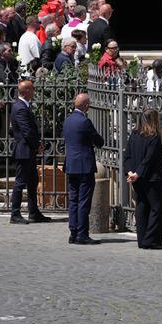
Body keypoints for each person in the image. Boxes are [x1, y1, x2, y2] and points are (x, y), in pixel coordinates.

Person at [62, 93, 105, 245]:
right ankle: (82, 233)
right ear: (86, 106)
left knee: (73, 199)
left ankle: (73, 232)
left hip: (71, 165)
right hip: (84, 166)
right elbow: (98, 141)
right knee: (83, 201)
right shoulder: (85, 122)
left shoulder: (67, 121)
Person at [125, 107, 162, 249]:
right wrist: (137, 174)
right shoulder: (153, 137)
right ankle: (151, 240)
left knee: (142, 206)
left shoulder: (134, 134)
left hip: (137, 178)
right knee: (157, 208)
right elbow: (148, 159)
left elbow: (128, 156)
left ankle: (142, 239)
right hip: (151, 178)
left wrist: (131, 172)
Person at [9, 80, 51, 224]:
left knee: (33, 181)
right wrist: (37, 145)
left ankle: (33, 212)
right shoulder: (20, 108)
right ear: (26, 91)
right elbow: (27, 131)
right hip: (24, 151)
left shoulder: (23, 106)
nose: (34, 91)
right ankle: (15, 213)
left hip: (28, 151)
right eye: (32, 89)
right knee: (20, 182)